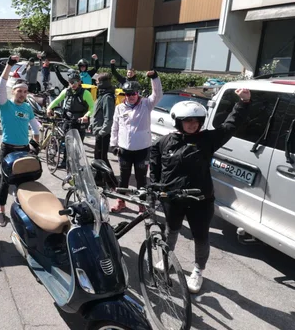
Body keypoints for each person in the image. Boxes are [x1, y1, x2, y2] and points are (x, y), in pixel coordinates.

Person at [150, 89, 251, 294]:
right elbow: (155, 172)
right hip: (172, 199)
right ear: (177, 121)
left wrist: (243, 103)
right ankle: (167, 258)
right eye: (187, 120)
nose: (193, 124)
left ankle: (198, 270)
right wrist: (154, 191)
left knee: (200, 237)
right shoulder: (162, 143)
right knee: (171, 231)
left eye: (196, 120)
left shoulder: (207, 140)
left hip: (200, 200)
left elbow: (230, 126)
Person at [0, 56, 41, 227]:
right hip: (8, 149)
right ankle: (1, 211)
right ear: (13, 91)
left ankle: (22, 209)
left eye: (25, 91)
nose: (22, 94)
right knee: (5, 181)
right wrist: (9, 65)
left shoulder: (28, 107)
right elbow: (1, 84)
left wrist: (34, 146)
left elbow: (36, 129)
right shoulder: (5, 105)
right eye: (19, 91)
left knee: (23, 181)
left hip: (23, 150)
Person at [110, 71, 163, 212]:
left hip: (142, 149)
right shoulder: (119, 108)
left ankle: (142, 205)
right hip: (124, 150)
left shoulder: (146, 104)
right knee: (123, 178)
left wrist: (154, 78)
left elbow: (158, 94)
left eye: (133, 93)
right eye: (127, 94)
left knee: (141, 179)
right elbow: (115, 126)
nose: (131, 96)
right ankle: (121, 202)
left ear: (138, 93)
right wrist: (113, 144)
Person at [47, 71, 94, 142]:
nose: (73, 84)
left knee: (78, 144)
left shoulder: (85, 93)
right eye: (71, 82)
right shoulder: (66, 91)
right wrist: (49, 108)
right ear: (68, 82)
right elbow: (56, 101)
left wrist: (86, 116)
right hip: (67, 119)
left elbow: (93, 107)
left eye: (76, 81)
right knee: (66, 143)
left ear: (79, 82)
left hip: (80, 121)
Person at [90, 73, 115, 182]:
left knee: (102, 158)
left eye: (98, 81)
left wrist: (102, 132)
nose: (96, 83)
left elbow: (108, 117)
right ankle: (99, 178)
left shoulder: (107, 97)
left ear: (103, 83)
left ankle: (112, 182)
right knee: (97, 157)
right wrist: (92, 124)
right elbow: (96, 113)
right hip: (99, 131)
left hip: (103, 133)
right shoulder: (101, 95)